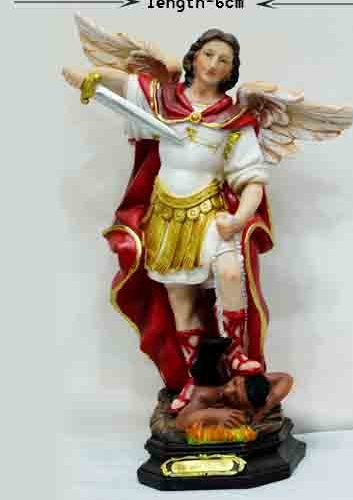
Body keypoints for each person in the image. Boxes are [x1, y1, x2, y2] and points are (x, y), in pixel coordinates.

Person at [62, 29, 274, 412]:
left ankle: (236, 352)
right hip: (166, 216)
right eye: (209, 54)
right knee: (180, 301)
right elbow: (124, 84)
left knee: (230, 273)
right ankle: (194, 378)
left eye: (224, 60)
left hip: (210, 213)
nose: (214, 64)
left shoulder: (233, 118)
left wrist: (240, 217)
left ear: (231, 71)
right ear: (194, 57)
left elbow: (252, 179)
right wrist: (89, 78)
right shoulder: (164, 99)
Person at [175, 371, 293, 430]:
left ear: (245, 407)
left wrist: (263, 410)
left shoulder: (246, 410)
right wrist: (213, 414)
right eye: (235, 382)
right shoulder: (207, 393)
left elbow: (286, 380)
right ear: (241, 375)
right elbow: (180, 423)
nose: (227, 391)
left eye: (235, 397)